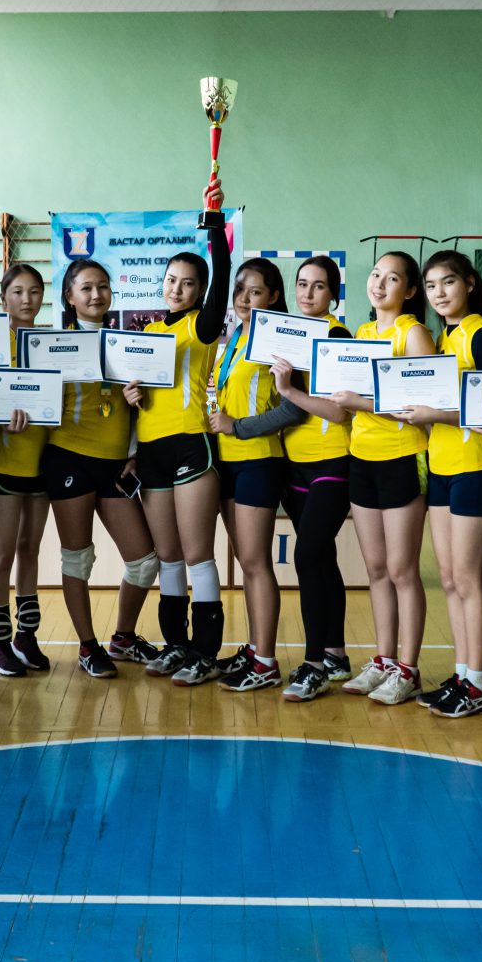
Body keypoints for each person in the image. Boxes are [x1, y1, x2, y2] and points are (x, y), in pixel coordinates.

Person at [42, 258, 160, 677]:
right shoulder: (54, 343)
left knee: (144, 561)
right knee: (78, 559)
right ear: (70, 297)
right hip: (69, 458)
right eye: (87, 288)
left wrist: (134, 449)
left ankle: (123, 638)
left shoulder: (126, 341)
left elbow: (138, 406)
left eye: (103, 286)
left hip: (116, 466)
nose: (96, 295)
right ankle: (88, 646)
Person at [130, 209, 233, 686]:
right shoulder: (149, 334)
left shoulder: (199, 327)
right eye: (171, 280)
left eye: (188, 283)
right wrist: (132, 394)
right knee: (167, 557)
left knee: (197, 556)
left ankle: (205, 652)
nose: (177, 289)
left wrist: (215, 230)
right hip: (151, 451)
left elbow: (220, 284)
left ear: (200, 291)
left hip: (191, 447)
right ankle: (176, 644)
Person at [332, 251, 437, 706]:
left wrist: (360, 403)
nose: (379, 284)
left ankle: (408, 670)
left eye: (392, 278)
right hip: (362, 456)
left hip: (401, 458)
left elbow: (420, 409)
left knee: (401, 570)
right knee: (376, 569)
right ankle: (383, 659)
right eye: (376, 274)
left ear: (409, 291)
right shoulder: (363, 333)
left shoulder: (413, 333)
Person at [405, 251, 482, 717]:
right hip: (441, 465)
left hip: (474, 465)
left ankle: (477, 684)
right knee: (448, 578)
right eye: (431, 286)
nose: (439, 293)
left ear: (469, 284)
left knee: (467, 578)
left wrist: (434, 414)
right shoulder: (443, 338)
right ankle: (463, 673)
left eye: (447, 282)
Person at [266, 257, 354, 702]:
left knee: (306, 555)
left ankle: (314, 664)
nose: (308, 293)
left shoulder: (338, 336)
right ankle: (336, 654)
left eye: (319, 286)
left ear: (333, 294)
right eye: (302, 284)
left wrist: (289, 391)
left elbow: (338, 412)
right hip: (294, 464)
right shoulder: (285, 336)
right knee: (321, 558)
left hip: (333, 462)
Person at [207, 257, 293, 692]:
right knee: (246, 562)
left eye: (254, 291)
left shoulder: (278, 341)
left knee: (257, 563)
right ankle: (256, 648)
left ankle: (266, 662)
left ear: (273, 296)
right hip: (227, 460)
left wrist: (237, 426)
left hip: (259, 458)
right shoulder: (236, 337)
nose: (243, 298)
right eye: (239, 289)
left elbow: (291, 408)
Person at [0, 263, 54, 677]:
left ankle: (26, 636)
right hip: (6, 461)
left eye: (34, 292)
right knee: (4, 551)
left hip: (43, 460)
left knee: (31, 548)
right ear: (3, 298)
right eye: (18, 292)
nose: (27, 300)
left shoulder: (51, 344)